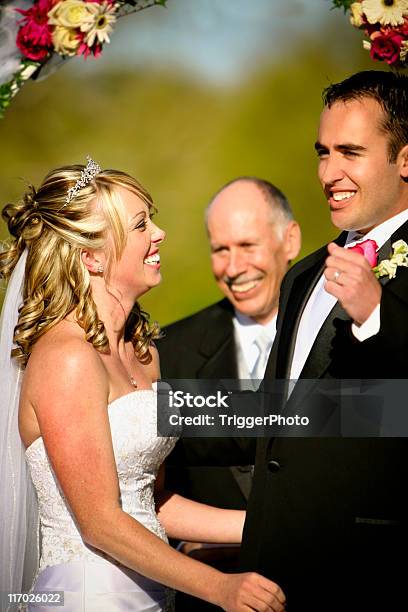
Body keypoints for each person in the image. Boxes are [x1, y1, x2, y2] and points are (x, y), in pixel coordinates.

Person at [0, 160, 287, 612]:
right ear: (91, 257)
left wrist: (267, 523)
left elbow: (149, 503)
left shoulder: (143, 352)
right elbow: (101, 523)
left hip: (152, 592)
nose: (160, 233)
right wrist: (219, 587)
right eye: (140, 225)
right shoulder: (67, 358)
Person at [240, 70, 408, 611]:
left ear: (405, 160)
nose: (328, 173)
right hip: (274, 573)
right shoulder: (303, 274)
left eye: (351, 152)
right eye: (323, 153)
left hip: (372, 572)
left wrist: (378, 317)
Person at [158, 178, 300, 609]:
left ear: (288, 240)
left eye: (248, 245)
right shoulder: (170, 351)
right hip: (212, 595)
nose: (234, 267)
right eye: (221, 250)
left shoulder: (342, 332)